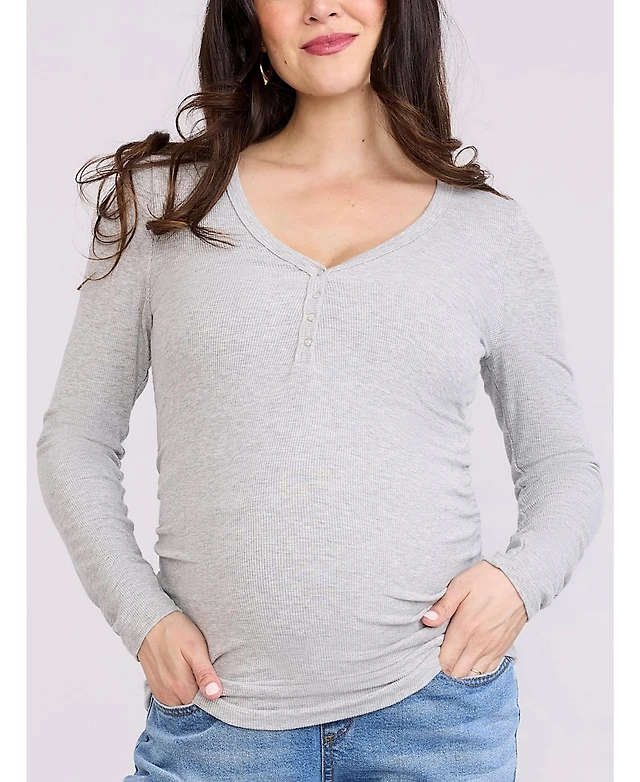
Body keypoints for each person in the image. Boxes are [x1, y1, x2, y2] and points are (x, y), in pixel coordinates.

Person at [36, 1, 604, 779]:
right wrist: (142, 618)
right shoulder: (165, 205)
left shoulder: (488, 233)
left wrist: (518, 583)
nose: (322, 7)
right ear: (248, 16)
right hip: (216, 721)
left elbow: (563, 465)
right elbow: (75, 440)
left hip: (434, 717)